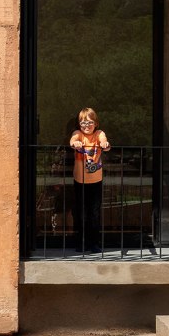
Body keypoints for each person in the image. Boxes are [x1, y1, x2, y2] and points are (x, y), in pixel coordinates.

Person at [69, 107, 110, 255]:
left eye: (90, 122)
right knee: (80, 213)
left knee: (94, 213)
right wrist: (76, 144)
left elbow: (104, 141)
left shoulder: (99, 133)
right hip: (80, 181)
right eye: (83, 123)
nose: (86, 126)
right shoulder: (78, 134)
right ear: (79, 125)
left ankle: (94, 243)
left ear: (96, 123)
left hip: (96, 181)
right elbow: (73, 140)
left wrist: (104, 144)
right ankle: (81, 243)